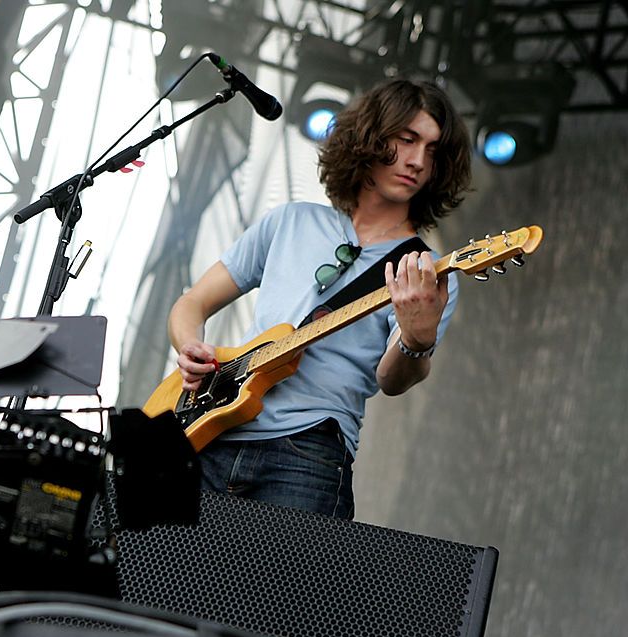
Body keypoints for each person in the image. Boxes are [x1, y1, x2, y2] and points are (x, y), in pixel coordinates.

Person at [168, 78, 472, 519]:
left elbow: (392, 380)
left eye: (432, 151)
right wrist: (189, 347)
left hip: (308, 453)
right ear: (370, 137)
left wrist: (416, 340)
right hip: (212, 430)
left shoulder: (425, 271)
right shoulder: (290, 221)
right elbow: (191, 304)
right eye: (407, 140)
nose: (417, 161)